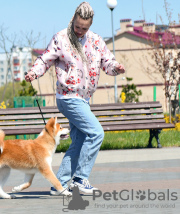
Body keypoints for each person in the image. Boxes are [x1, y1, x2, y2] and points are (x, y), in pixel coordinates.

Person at [25, 2, 125, 195]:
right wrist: (33, 73)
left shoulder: (96, 40)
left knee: (78, 141)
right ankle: (80, 179)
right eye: (77, 26)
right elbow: (45, 59)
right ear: (73, 19)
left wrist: (116, 68)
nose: (79, 31)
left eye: (84, 28)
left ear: (90, 25)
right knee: (96, 133)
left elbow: (108, 62)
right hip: (68, 97)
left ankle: (59, 184)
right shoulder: (61, 38)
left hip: (84, 99)